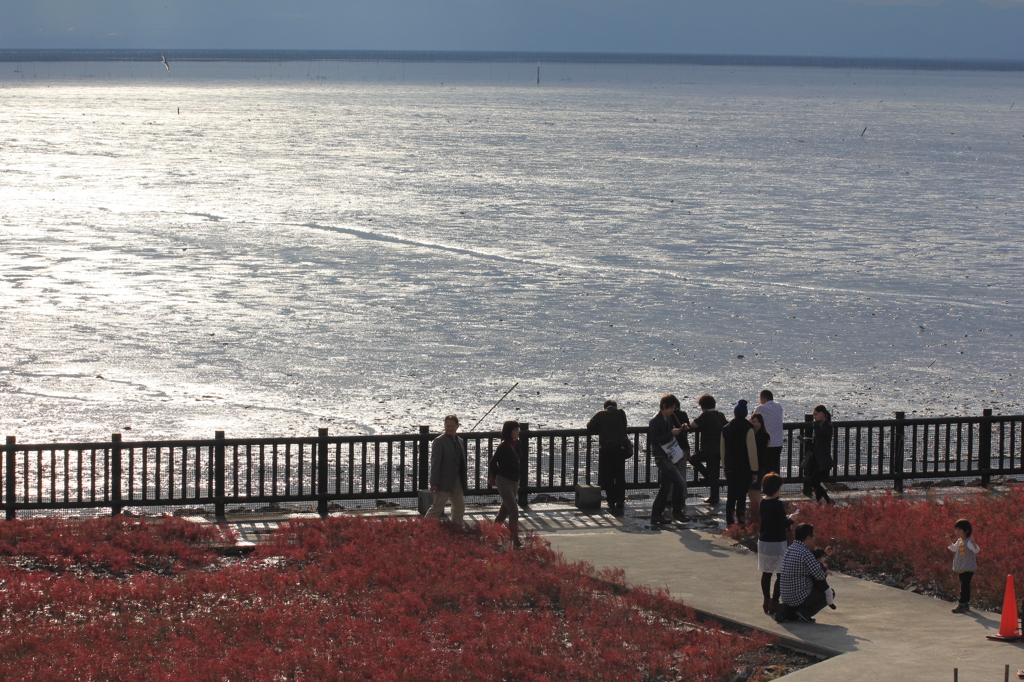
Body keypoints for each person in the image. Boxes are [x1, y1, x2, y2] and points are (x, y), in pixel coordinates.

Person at [777, 523, 833, 623]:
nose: (814, 539)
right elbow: (820, 575)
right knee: (829, 592)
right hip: (799, 597)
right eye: (813, 536)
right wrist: (825, 564)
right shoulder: (805, 553)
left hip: (786, 596)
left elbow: (813, 564)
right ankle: (804, 612)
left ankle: (788, 611)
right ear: (808, 537)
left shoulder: (790, 549)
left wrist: (824, 555)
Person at [648, 394, 690, 525]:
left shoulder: (668, 418)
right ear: (664, 406)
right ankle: (677, 512)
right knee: (679, 482)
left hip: (669, 455)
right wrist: (671, 433)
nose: (673, 410)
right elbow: (654, 439)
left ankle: (656, 515)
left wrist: (680, 429)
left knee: (665, 487)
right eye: (672, 408)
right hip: (662, 457)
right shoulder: (655, 421)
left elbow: (668, 434)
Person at [587, 399, 630, 515]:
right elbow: (625, 427)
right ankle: (620, 500)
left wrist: (600, 430)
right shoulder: (621, 413)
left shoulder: (600, 414)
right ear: (615, 406)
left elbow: (589, 426)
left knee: (608, 476)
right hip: (620, 449)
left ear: (605, 407)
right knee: (620, 476)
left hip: (606, 449)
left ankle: (611, 501)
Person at [758, 473, 792, 615]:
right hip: (777, 541)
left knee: (766, 573)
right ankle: (774, 602)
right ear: (776, 488)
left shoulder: (763, 502)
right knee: (780, 573)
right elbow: (783, 523)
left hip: (764, 541)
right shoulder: (778, 504)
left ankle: (766, 601)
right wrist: (791, 519)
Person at [720, 399, 758, 527]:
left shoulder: (726, 428)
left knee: (731, 496)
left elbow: (722, 450)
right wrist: (754, 470)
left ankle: (730, 522)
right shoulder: (748, 429)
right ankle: (741, 522)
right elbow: (752, 452)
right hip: (744, 468)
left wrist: (724, 467)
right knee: (741, 496)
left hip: (730, 467)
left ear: (734, 412)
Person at [424, 414, 468, 525]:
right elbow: (435, 464)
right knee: (437, 507)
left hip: (458, 479)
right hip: (443, 480)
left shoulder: (460, 441)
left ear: (457, 426)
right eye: (447, 426)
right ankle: (423, 529)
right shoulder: (439, 441)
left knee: (459, 507)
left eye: (452, 426)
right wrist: (433, 483)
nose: (449, 428)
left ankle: (456, 528)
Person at [488, 420, 524, 549]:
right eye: (515, 430)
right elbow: (493, 462)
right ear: (509, 431)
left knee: (504, 511)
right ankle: (514, 539)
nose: (517, 432)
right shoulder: (503, 446)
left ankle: (492, 534)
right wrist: (497, 477)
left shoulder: (518, 443)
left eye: (518, 429)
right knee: (513, 510)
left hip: (515, 480)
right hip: (504, 481)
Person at [688, 394, 727, 505]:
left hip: (709, 448)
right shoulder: (720, 415)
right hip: (720, 448)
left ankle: (713, 495)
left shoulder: (706, 415)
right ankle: (710, 482)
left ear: (703, 406)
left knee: (694, 460)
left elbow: (693, 424)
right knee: (714, 472)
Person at [801, 405, 834, 504]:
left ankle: (828, 500)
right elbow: (818, 441)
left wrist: (817, 423)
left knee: (814, 481)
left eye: (816, 414)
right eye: (814, 415)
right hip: (816, 458)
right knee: (815, 481)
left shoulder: (827, 426)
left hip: (823, 459)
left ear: (823, 414)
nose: (814, 417)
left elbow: (820, 434)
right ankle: (820, 502)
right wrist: (807, 440)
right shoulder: (820, 426)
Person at [947, 518, 980, 613]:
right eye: (956, 530)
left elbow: (976, 550)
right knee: (965, 585)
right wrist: (949, 540)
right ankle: (965, 603)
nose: (957, 532)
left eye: (959, 530)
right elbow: (953, 548)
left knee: (964, 585)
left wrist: (974, 545)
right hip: (961, 566)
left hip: (968, 567)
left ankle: (962, 603)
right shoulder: (959, 541)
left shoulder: (969, 542)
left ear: (966, 531)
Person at [752, 390, 784, 474]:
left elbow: (752, 420)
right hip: (779, 443)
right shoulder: (779, 406)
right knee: (776, 469)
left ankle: (768, 486)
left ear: (763, 398)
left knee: (768, 470)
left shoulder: (761, 408)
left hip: (769, 443)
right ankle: (776, 485)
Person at [748, 413, 770, 526]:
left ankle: (758, 517)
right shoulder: (750, 435)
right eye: (753, 422)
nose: (755, 424)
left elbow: (757, 447)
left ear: (761, 423)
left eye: (756, 422)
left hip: (759, 467)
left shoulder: (764, 436)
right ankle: (754, 516)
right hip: (750, 467)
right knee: (750, 492)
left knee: (756, 492)